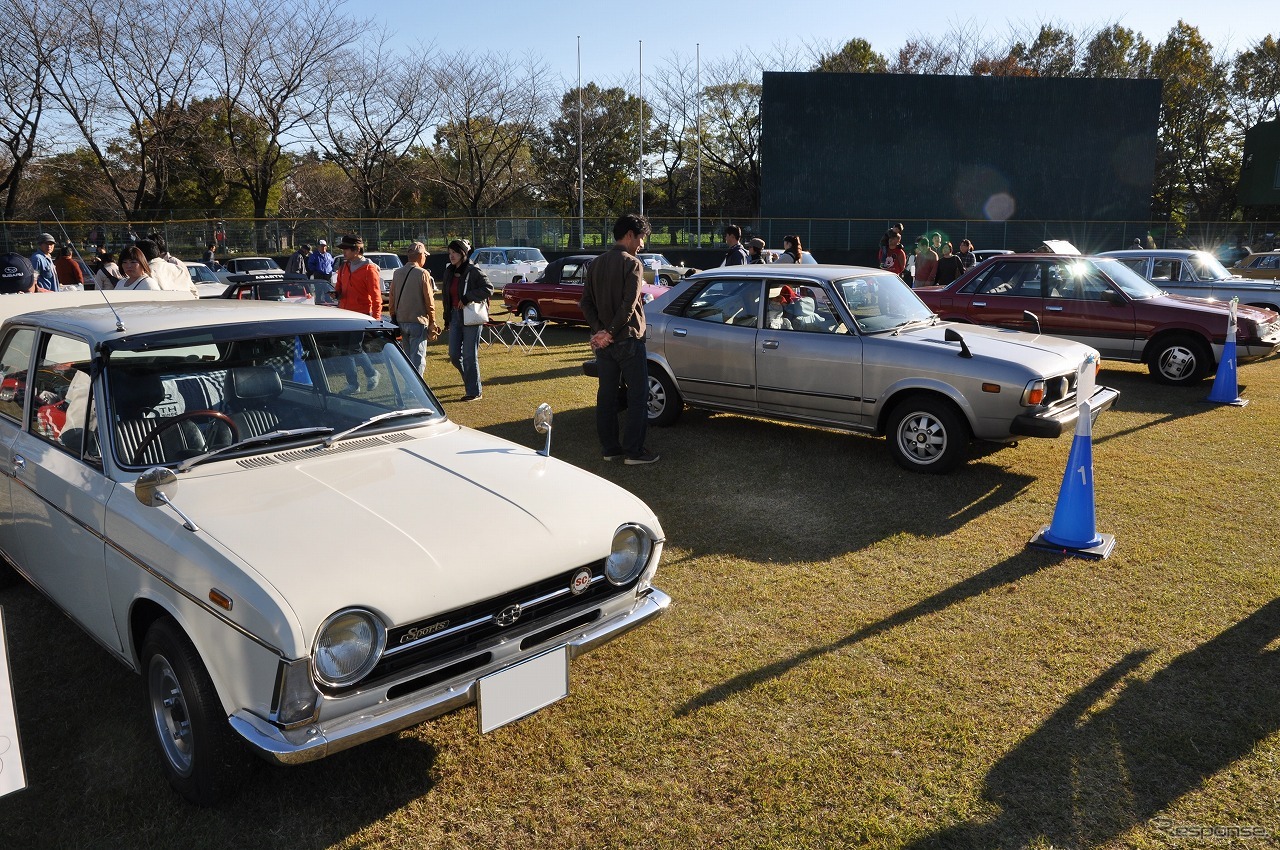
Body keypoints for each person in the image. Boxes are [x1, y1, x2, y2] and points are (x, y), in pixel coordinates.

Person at [580, 213, 658, 465]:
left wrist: (600, 331)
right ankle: (634, 451)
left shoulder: (596, 263)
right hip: (627, 339)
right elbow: (629, 304)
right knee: (638, 395)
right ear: (629, 235)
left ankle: (610, 448)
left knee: (607, 395)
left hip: (606, 344)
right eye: (641, 238)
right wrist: (609, 332)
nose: (642, 244)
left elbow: (586, 302)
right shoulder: (632, 263)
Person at [440, 238, 492, 401]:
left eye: (455, 252)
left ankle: (474, 391)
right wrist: (447, 318)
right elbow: (446, 296)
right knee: (454, 355)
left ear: (463, 253)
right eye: (450, 253)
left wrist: (468, 297)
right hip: (455, 316)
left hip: (471, 316)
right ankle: (470, 381)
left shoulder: (473, 270)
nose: (452, 256)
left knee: (469, 355)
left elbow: (488, 288)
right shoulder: (449, 271)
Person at [333, 234, 382, 392]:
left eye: (346, 249)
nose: (343, 252)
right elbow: (339, 288)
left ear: (356, 250)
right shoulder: (343, 267)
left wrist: (376, 319)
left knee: (354, 348)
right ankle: (353, 384)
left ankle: (372, 373)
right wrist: (336, 294)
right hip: (342, 314)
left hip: (360, 315)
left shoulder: (369, 268)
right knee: (344, 350)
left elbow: (376, 297)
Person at [389, 241, 440, 377]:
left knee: (407, 358)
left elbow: (392, 298)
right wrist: (433, 321)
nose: (425, 258)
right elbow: (429, 301)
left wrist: (393, 315)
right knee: (418, 359)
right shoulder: (423, 273)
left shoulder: (397, 273)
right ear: (421, 255)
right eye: (425, 255)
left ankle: (409, 386)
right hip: (418, 321)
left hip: (401, 321)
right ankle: (417, 390)